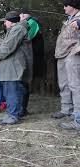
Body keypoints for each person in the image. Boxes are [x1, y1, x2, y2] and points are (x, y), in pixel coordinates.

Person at [0, 11, 32, 125]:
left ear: (11, 22)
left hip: (14, 67)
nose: (4, 23)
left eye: (5, 21)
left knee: (13, 91)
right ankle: (12, 113)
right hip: (10, 67)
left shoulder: (18, 29)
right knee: (10, 91)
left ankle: (13, 115)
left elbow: (8, 46)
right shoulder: (14, 29)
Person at [54, 0, 80, 131]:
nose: (64, 8)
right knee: (64, 84)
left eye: (66, 5)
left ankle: (77, 117)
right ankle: (67, 109)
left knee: (75, 86)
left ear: (73, 6)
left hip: (73, 54)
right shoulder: (68, 19)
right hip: (62, 55)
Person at [19, 9, 45, 117]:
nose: (20, 17)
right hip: (29, 56)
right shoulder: (28, 22)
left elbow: (25, 37)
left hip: (32, 57)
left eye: (21, 15)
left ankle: (22, 109)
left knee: (24, 82)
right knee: (22, 83)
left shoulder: (32, 22)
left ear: (24, 15)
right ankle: (21, 108)